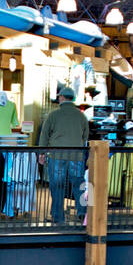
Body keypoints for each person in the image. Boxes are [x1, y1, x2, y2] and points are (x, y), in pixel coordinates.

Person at [36, 85, 90, 224]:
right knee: (79, 184)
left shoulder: (53, 115)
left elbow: (44, 135)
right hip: (76, 155)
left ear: (61, 97)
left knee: (57, 185)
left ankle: (58, 216)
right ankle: (82, 212)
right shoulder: (81, 115)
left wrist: (41, 153)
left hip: (57, 155)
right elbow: (85, 136)